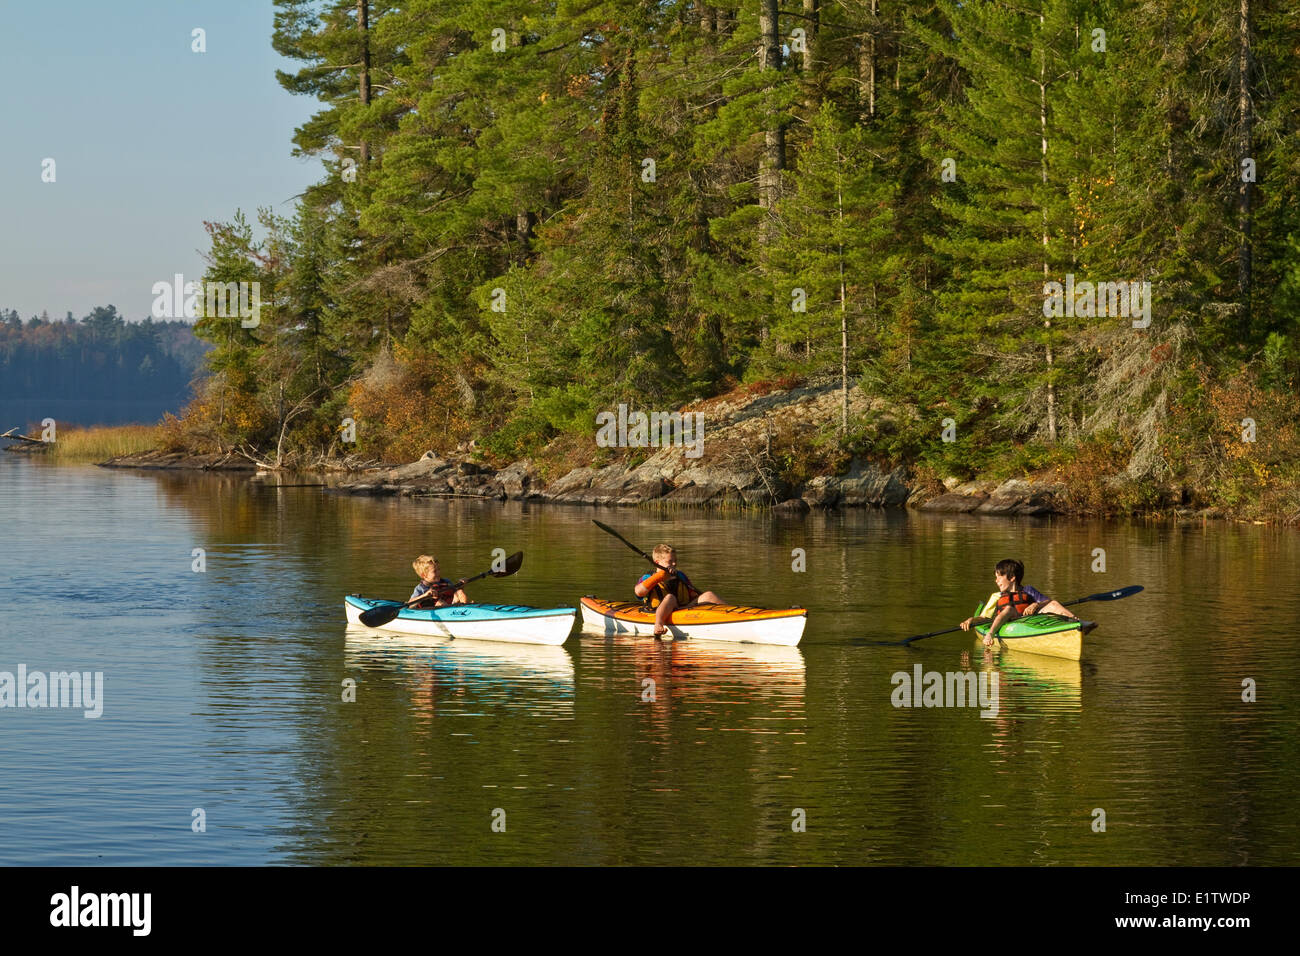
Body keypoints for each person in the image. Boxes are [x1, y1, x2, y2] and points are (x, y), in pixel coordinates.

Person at [959, 558, 1075, 646]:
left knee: (1053, 603)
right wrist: (971, 620)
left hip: (1030, 621)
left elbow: (1047, 602)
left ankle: (1077, 623)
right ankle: (990, 634)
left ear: (1012, 577)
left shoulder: (1028, 591)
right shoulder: (997, 596)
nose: (996, 581)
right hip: (1008, 622)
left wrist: (1036, 604)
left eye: (999, 577)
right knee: (1009, 609)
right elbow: (984, 618)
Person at [633, 544, 722, 637]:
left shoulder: (680, 575)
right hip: (657, 611)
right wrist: (659, 576)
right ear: (657, 562)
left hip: (684, 607)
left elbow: (692, 594)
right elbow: (638, 592)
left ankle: (733, 613)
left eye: (675, 560)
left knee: (709, 595)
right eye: (670, 561)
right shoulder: (648, 577)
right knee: (670, 598)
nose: (674, 564)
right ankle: (658, 624)